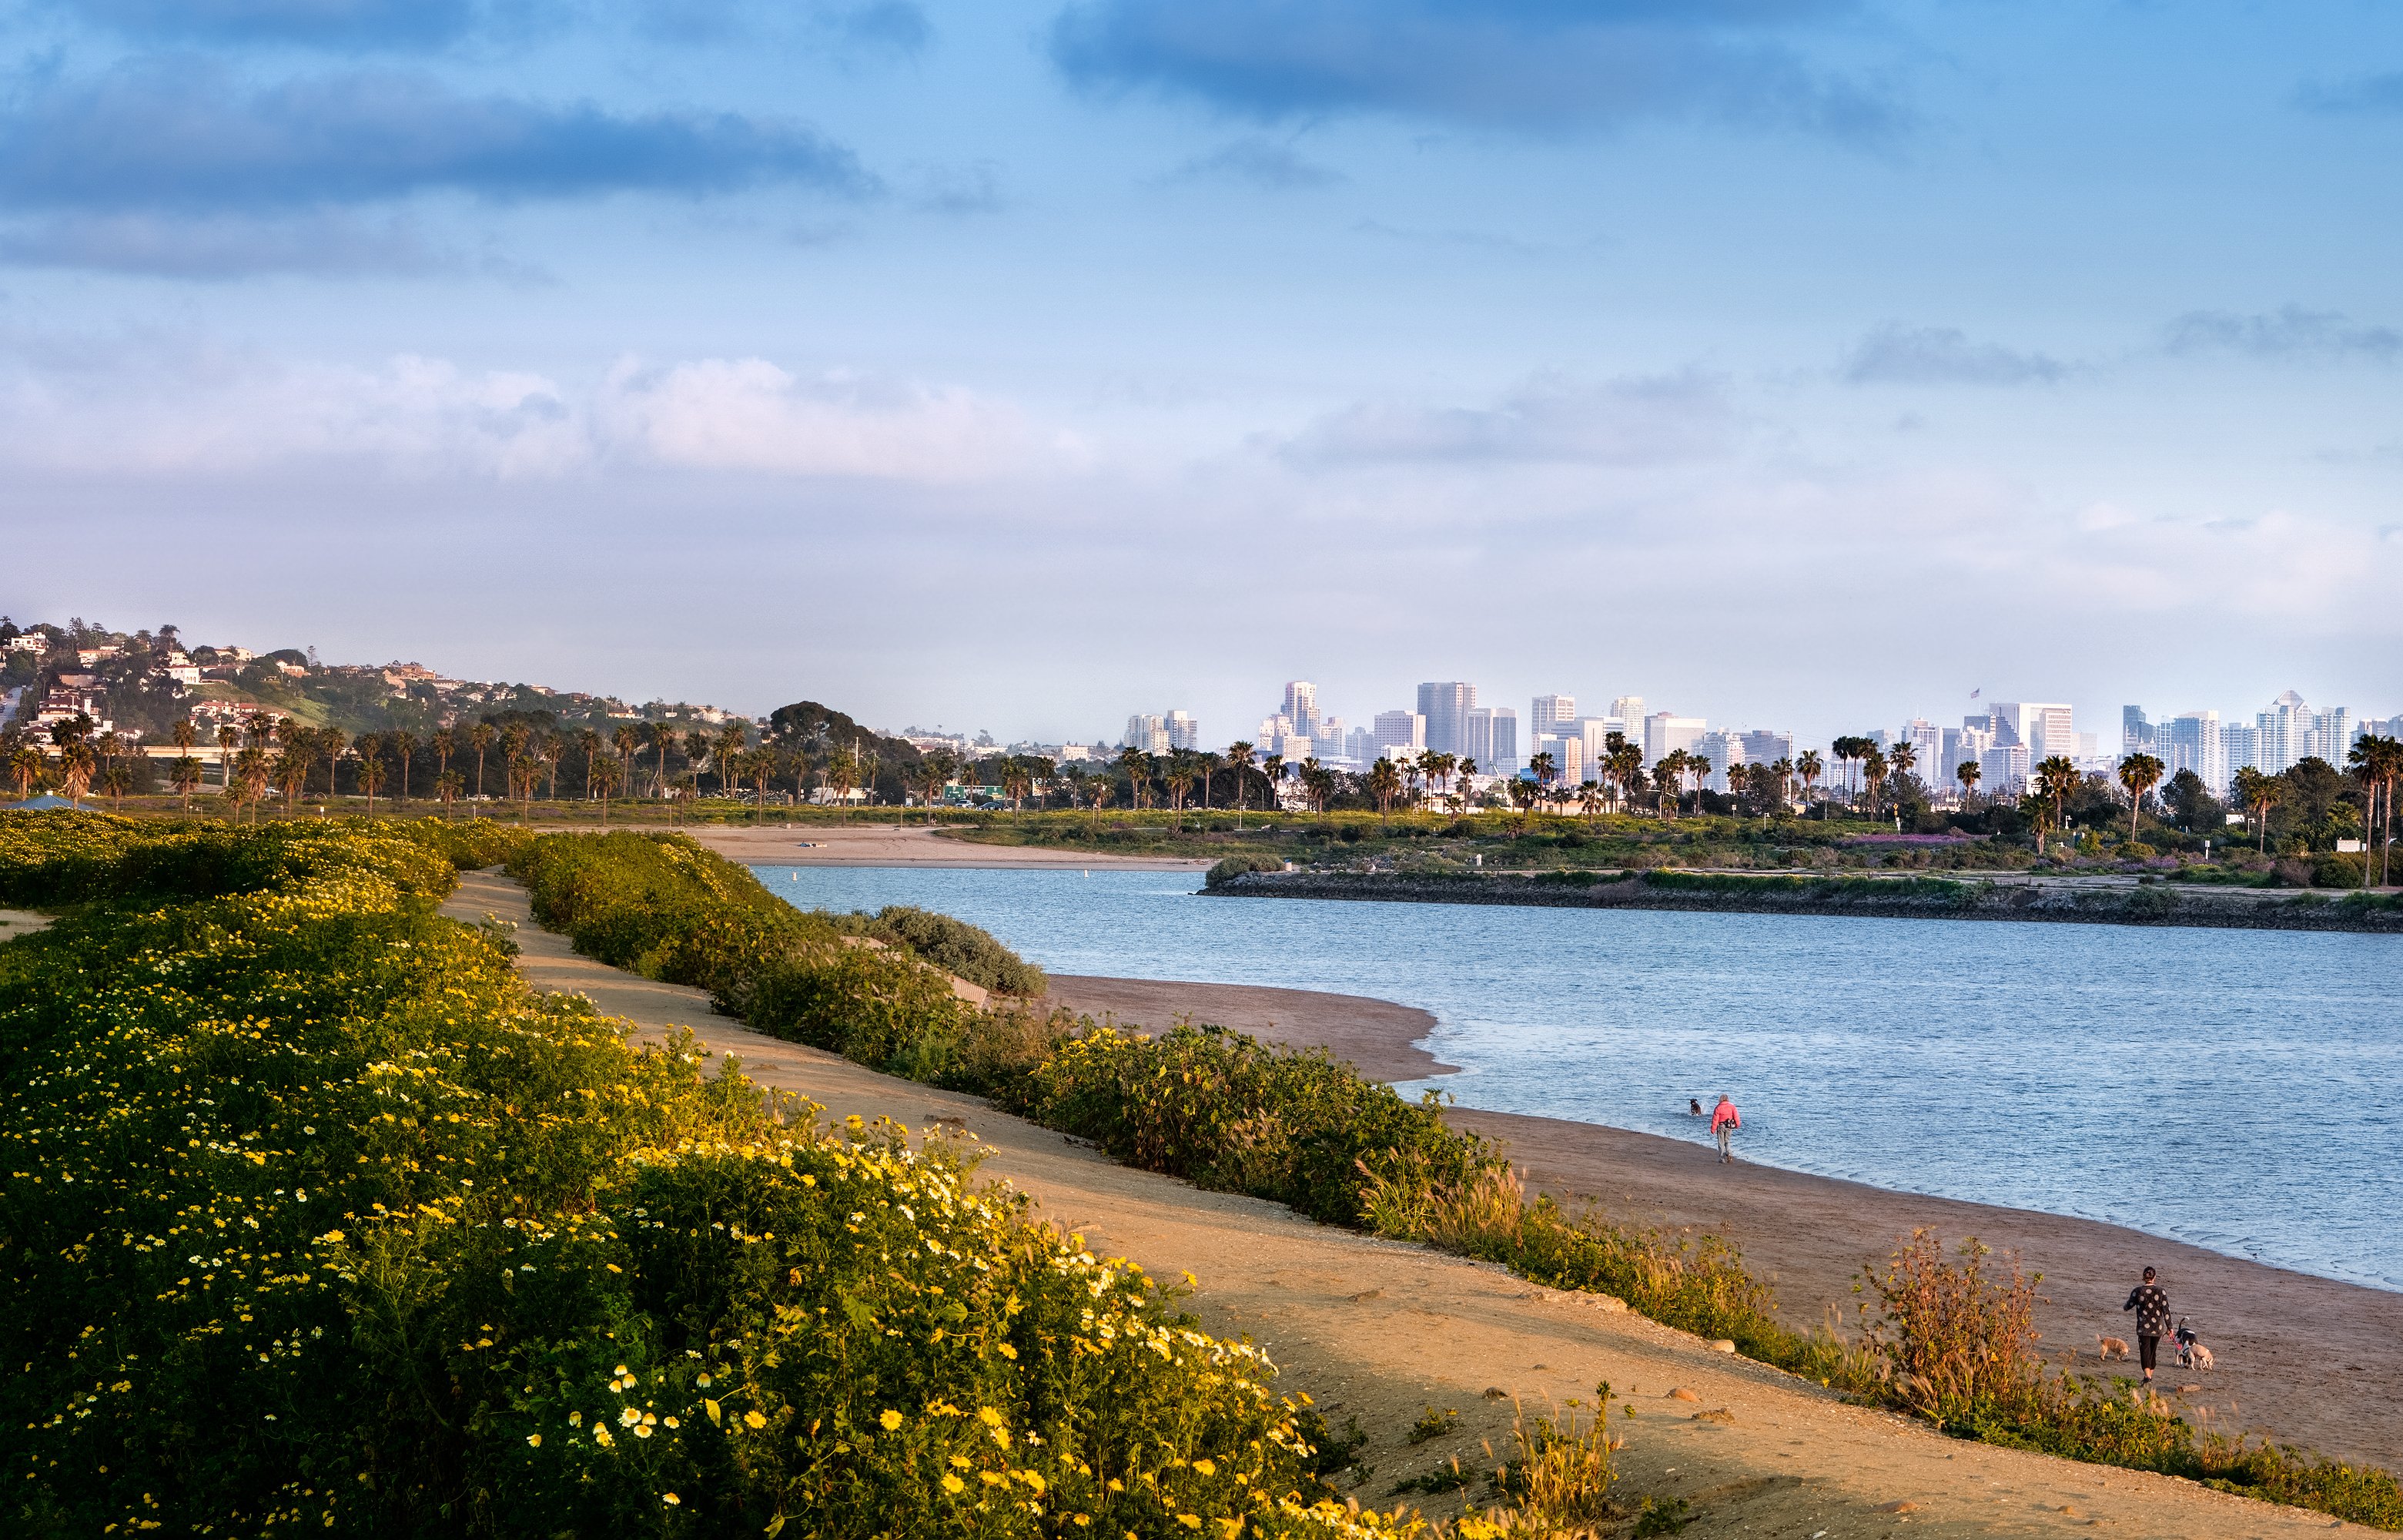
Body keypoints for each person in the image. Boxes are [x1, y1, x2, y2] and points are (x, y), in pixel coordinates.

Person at [2123, 1267, 2171, 1383]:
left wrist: (2125, 1307)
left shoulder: (2137, 1291)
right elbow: (2166, 1311)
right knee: (2152, 1352)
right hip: (2158, 1328)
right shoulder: (2161, 1291)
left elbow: (2128, 1306)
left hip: (2143, 1328)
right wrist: (2170, 1328)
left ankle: (2147, 1377)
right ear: (2154, 1277)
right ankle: (2149, 1377)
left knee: (2145, 1351)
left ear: (2143, 1277)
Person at [1710, 1094, 1741, 1163]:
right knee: (1727, 1141)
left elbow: (1715, 1120)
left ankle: (1722, 1158)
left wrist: (1713, 1129)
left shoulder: (1718, 1107)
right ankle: (1729, 1153)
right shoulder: (1732, 1107)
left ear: (1720, 1099)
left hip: (1721, 1126)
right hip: (1729, 1126)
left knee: (1721, 1142)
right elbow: (1736, 1117)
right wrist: (1737, 1125)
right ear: (1727, 1099)